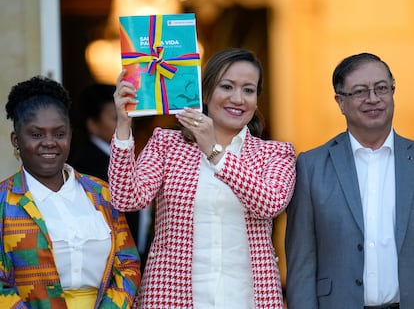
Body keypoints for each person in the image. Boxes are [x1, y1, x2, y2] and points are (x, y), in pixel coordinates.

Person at [108, 48, 296, 308]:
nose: (238, 99)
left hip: (248, 298)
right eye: (227, 86)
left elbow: (269, 204)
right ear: (205, 92)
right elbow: (127, 199)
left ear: (257, 98)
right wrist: (123, 125)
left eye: (248, 90)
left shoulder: (274, 153)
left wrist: (214, 151)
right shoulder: (167, 143)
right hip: (171, 297)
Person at [285, 52, 414, 308]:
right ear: (340, 102)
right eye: (359, 92)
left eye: (381, 88)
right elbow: (302, 263)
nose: (373, 99)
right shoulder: (311, 166)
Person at [0, 76, 140, 308]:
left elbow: (127, 263)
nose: (49, 142)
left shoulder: (101, 193)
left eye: (59, 133)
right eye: (36, 134)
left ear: (70, 135)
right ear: (16, 140)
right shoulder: (5, 202)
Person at [69, 83, 153, 273]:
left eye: (127, 115)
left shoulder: (121, 156)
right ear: (92, 124)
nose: (126, 121)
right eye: (116, 117)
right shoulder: (88, 165)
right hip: (112, 267)